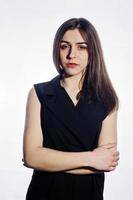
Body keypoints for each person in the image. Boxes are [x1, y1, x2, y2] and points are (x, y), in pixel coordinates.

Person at [23, 17, 120, 200]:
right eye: (64, 46)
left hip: (89, 194)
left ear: (93, 51)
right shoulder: (39, 94)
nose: (71, 55)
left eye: (81, 47)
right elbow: (32, 157)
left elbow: (106, 161)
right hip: (45, 193)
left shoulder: (107, 100)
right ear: (56, 49)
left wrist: (48, 159)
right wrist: (91, 159)